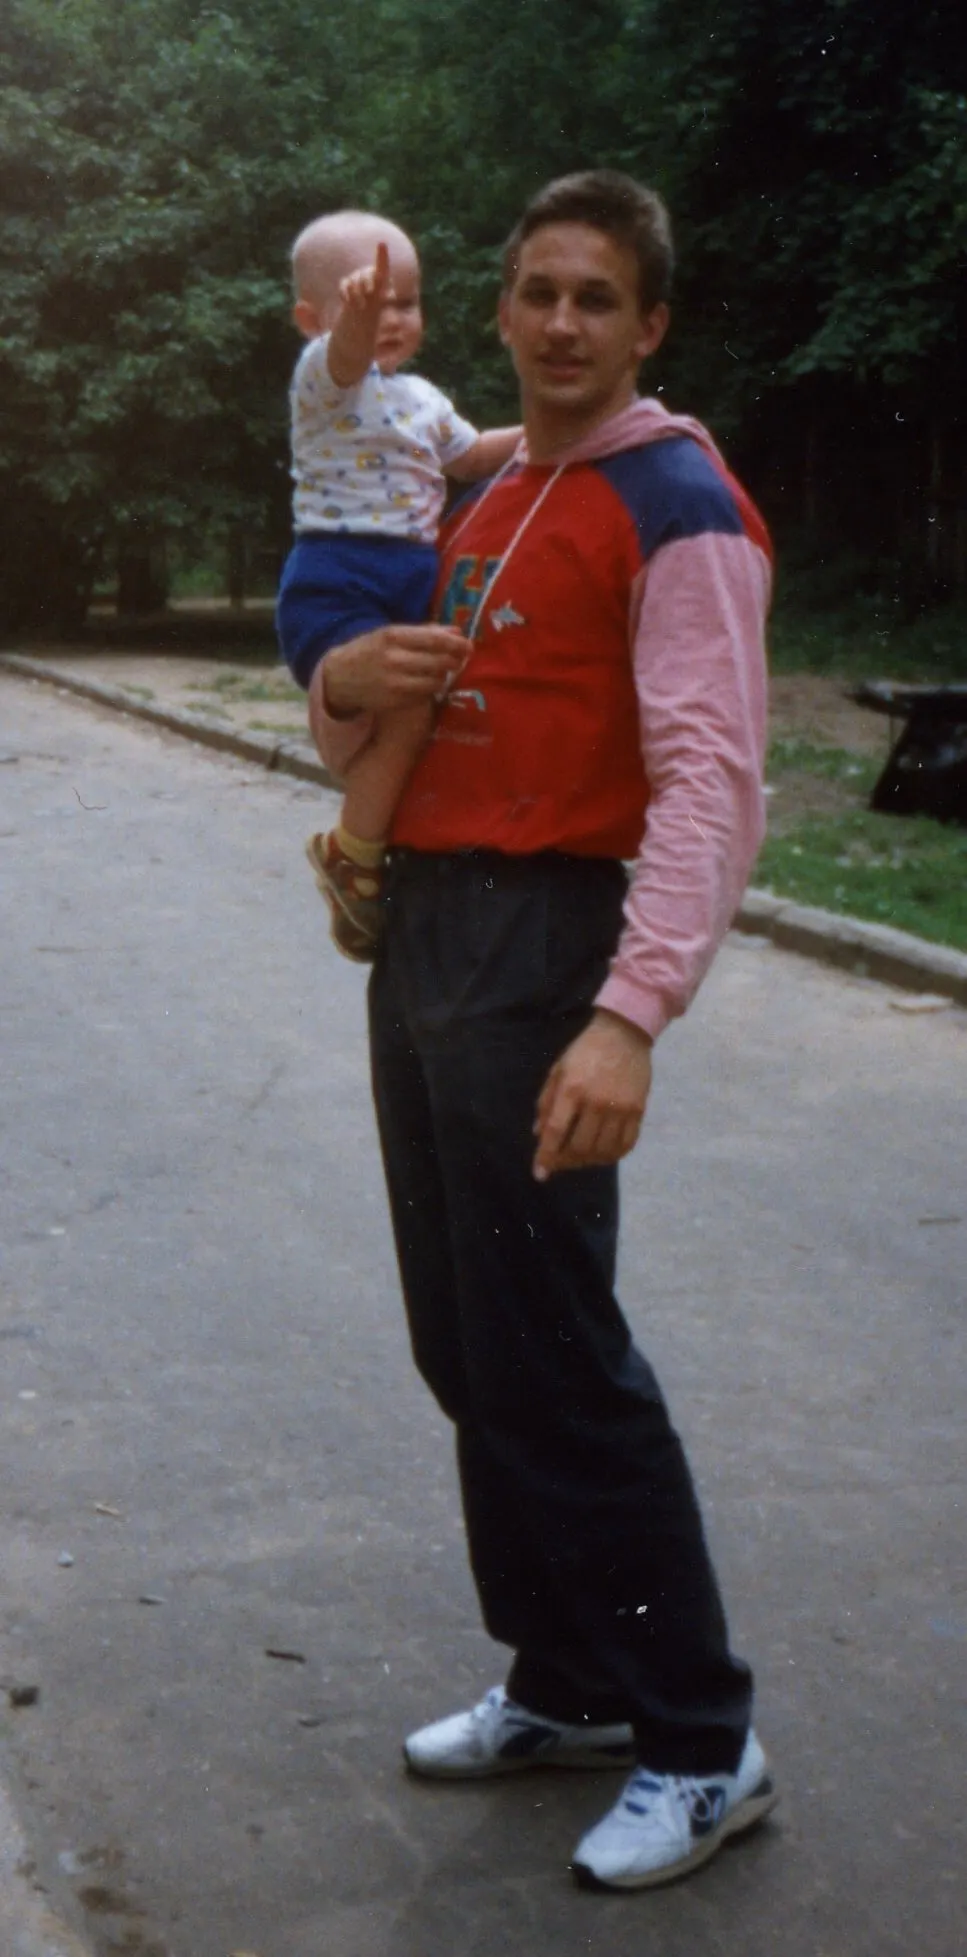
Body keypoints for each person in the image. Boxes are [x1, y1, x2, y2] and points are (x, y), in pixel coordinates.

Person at [307, 169, 776, 1892]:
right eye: (536, 292)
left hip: (545, 942)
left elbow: (714, 781)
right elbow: (367, 688)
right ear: (499, 310)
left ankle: (701, 1734)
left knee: (557, 1352)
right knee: (468, 1339)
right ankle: (568, 1676)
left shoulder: (676, 501)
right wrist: (338, 692)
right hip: (427, 926)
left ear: (648, 323)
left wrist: (629, 1016)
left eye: (598, 296)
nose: (561, 321)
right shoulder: (485, 488)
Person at [276, 209, 520, 959]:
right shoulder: (323, 379)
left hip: (406, 578)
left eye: (405, 302)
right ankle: (352, 849)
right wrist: (351, 323)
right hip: (337, 579)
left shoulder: (421, 398)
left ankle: (374, 837)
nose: (388, 318)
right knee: (410, 713)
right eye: (368, 302)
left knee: (422, 712)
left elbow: (474, 454)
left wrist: (554, 427)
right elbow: (347, 352)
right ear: (312, 318)